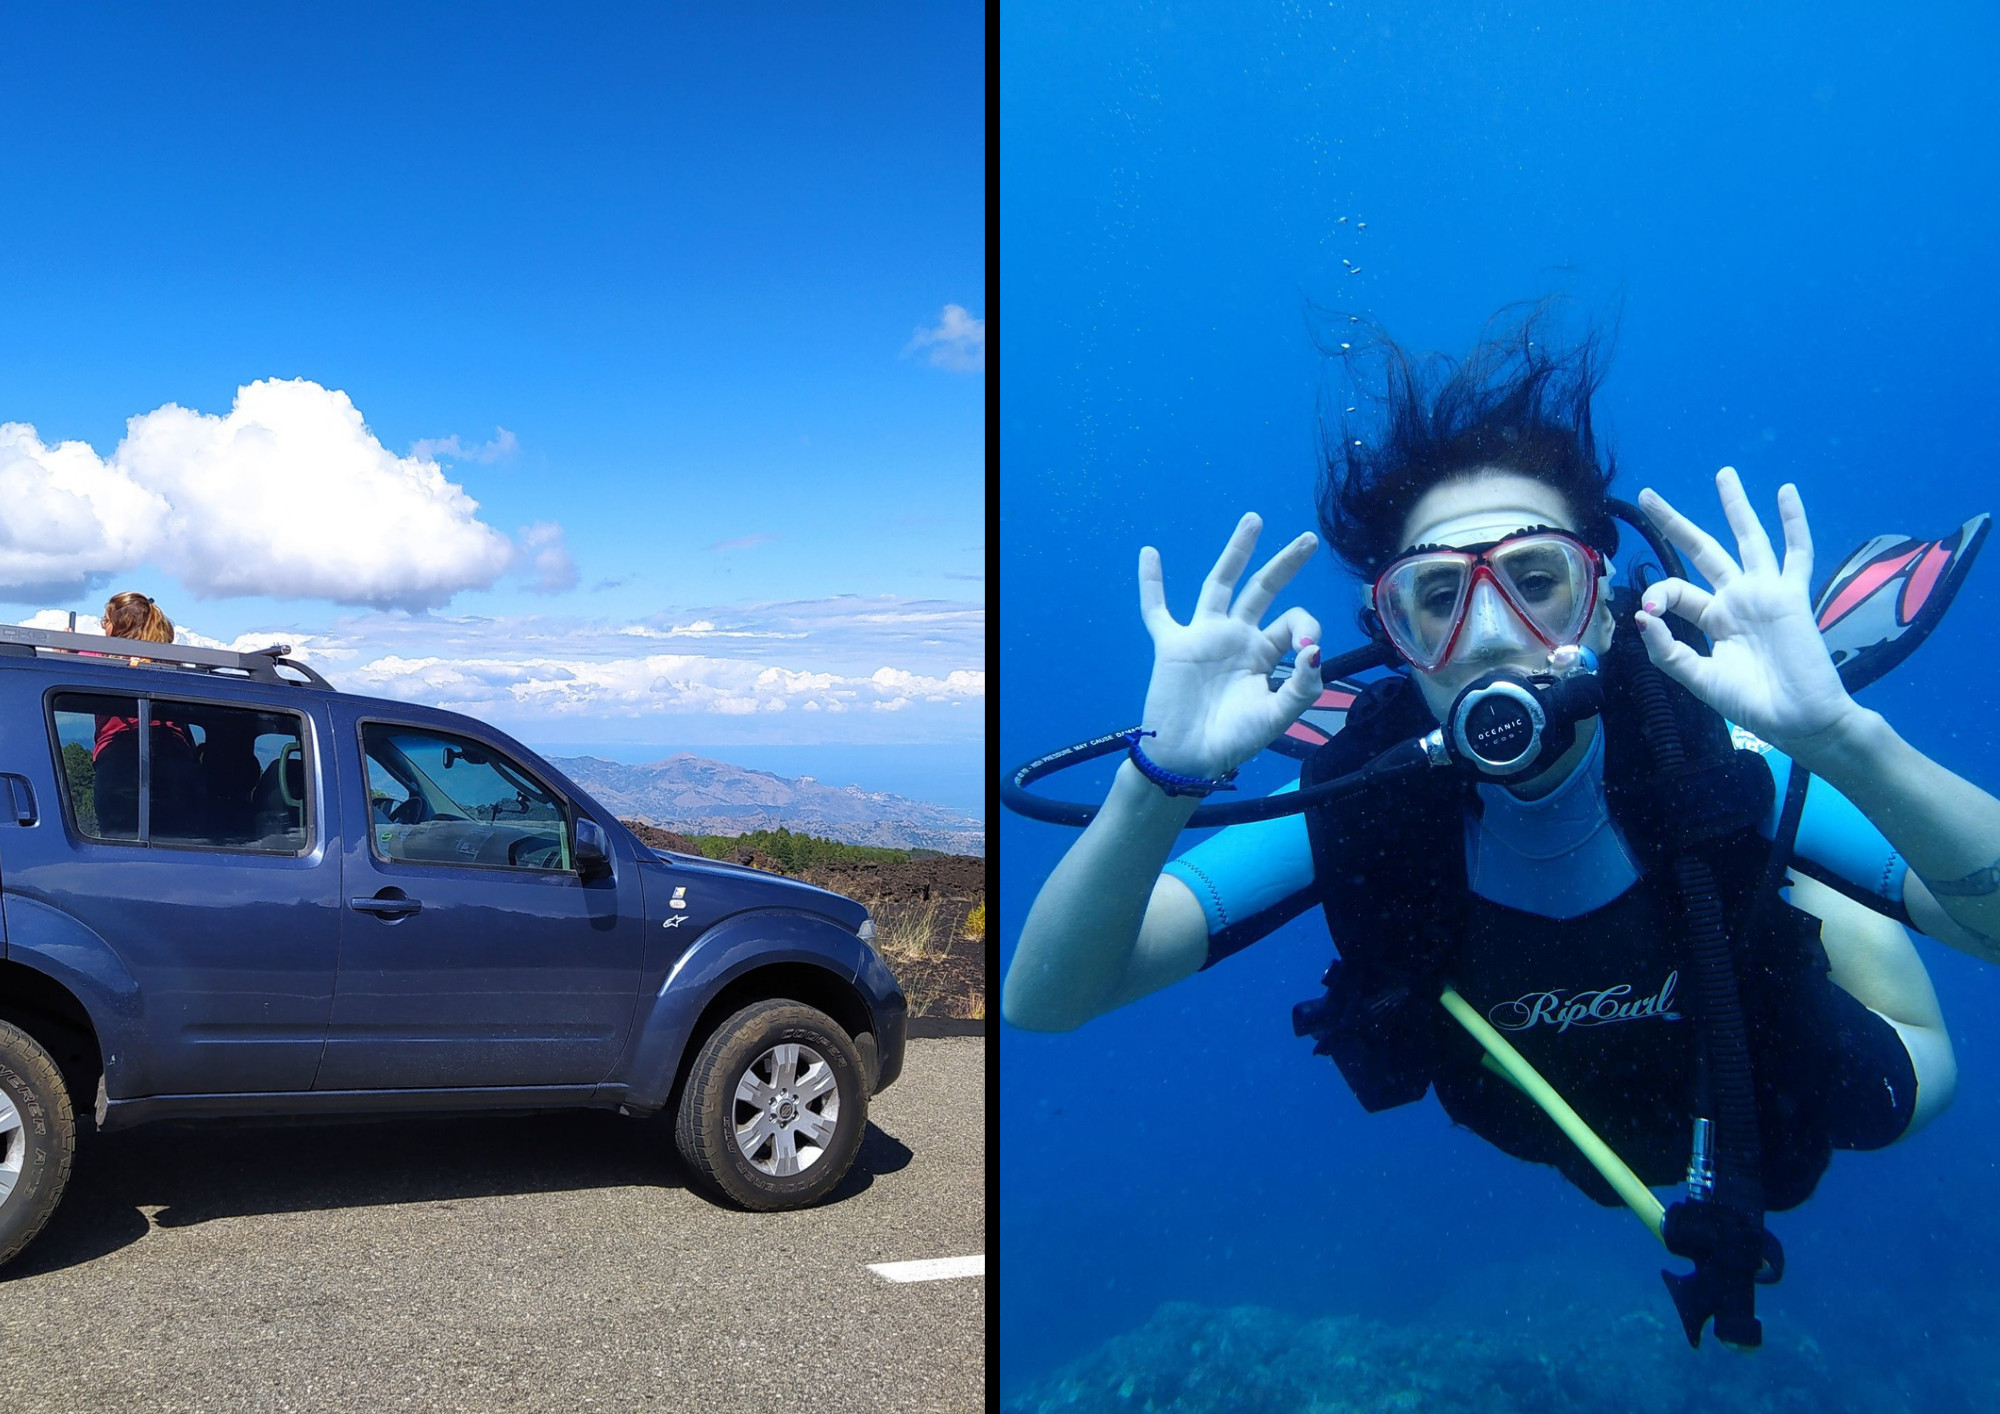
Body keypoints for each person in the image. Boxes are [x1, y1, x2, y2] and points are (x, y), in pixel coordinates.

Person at [1001, 313, 2000, 1342]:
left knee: (1896, 1093)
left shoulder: (1708, 759)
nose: (1484, 635)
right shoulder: (1367, 806)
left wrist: (1840, 740)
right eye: (1433, 596)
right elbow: (1044, 998)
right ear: (1395, 642)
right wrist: (1156, 782)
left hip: (1782, 1089)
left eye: (1535, 583)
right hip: (1573, 1140)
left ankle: (1818, 878)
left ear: (1603, 608)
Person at [89, 591, 202, 838]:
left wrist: (64, 652)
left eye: (105, 622)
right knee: (177, 843)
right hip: (175, 760)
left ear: (120, 626)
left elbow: (73, 664)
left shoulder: (101, 662)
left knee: (121, 843)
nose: (102, 629)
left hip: (119, 765)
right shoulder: (171, 663)